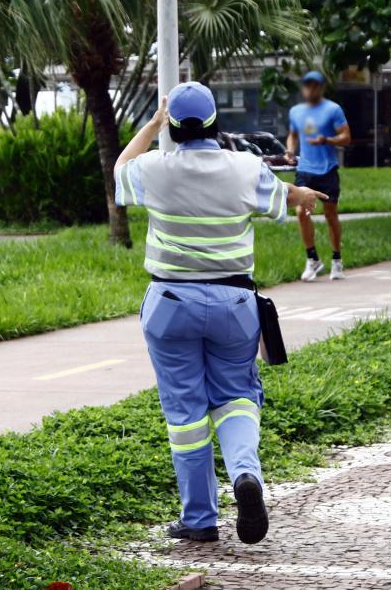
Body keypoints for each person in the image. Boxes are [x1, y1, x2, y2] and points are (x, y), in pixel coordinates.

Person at [114, 82, 325, 544]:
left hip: (171, 305)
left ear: (173, 126)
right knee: (237, 397)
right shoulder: (245, 168)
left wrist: (152, 124)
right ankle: (246, 475)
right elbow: (284, 195)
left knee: (186, 412)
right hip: (233, 304)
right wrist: (304, 195)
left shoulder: (154, 170)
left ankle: (199, 520)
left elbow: (120, 169)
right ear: (217, 124)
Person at [286, 71, 352, 281]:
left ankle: (336, 260)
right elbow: (293, 135)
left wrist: (327, 140)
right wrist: (289, 150)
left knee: (330, 215)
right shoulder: (296, 111)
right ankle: (312, 259)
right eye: (307, 85)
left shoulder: (333, 109)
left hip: (327, 169)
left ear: (321, 88)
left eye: (314, 86)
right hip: (305, 169)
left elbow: (346, 137)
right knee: (300, 212)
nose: (310, 89)